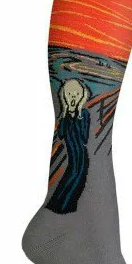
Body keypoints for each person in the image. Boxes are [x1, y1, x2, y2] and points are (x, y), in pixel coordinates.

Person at [46, 79, 91, 214]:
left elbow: (84, 138)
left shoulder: (84, 114)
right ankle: (58, 206)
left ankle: (67, 208)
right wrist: (67, 114)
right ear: (65, 95)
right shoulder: (65, 116)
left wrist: (77, 116)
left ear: (81, 96)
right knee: (70, 177)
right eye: (70, 94)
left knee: (77, 178)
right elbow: (61, 134)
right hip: (72, 156)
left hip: (81, 155)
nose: (73, 97)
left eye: (76, 94)